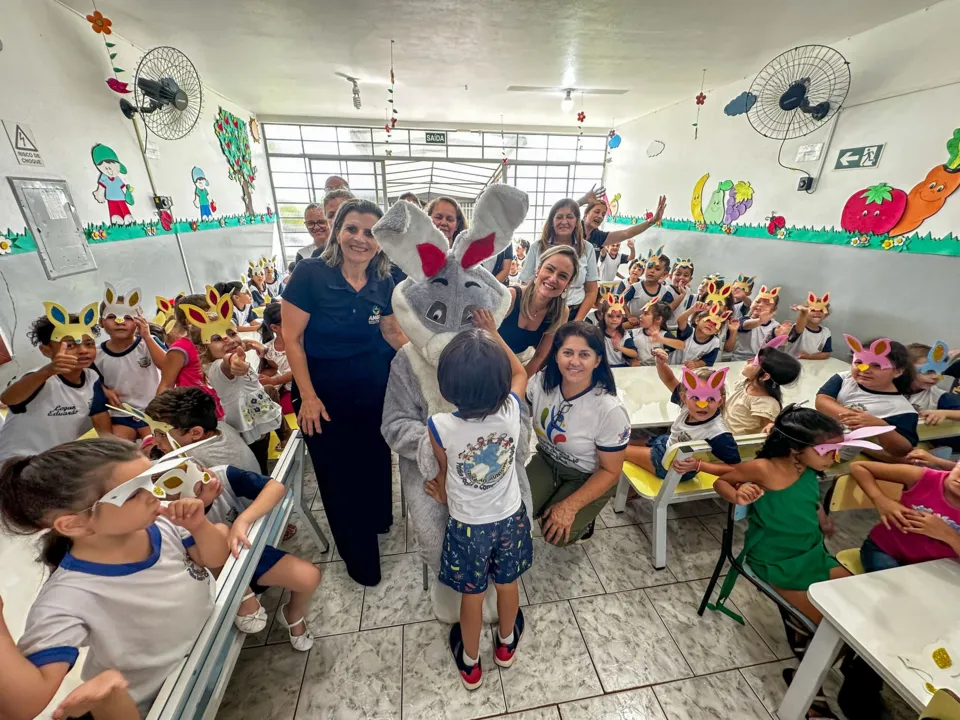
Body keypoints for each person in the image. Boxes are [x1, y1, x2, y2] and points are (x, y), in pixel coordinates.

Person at [0, 438, 228, 719]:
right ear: (75, 523)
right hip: (157, 704)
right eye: (134, 492)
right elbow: (24, 705)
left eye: (151, 478)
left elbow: (217, 559)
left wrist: (199, 525)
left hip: (207, 652)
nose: (153, 493)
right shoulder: (68, 598)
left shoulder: (162, 524)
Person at [282, 198, 408, 586]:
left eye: (370, 232)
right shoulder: (310, 273)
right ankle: (360, 561)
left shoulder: (382, 279)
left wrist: (431, 359)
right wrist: (310, 395)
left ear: (380, 241)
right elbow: (292, 338)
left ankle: (376, 522)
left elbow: (391, 331)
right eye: (352, 228)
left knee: (373, 459)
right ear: (337, 230)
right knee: (340, 477)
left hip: (372, 390)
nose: (360, 238)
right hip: (323, 394)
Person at [426, 315, 531, 690]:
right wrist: (494, 333)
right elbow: (520, 372)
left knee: (471, 596)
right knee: (508, 584)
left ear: (447, 385)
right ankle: (505, 645)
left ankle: (470, 663)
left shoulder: (439, 425)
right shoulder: (511, 413)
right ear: (501, 385)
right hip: (510, 519)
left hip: (468, 525)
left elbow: (445, 468)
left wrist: (441, 488)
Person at [175, 458, 322, 649]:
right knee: (220, 532)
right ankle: (245, 597)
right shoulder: (175, 522)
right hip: (214, 576)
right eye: (199, 490)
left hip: (245, 554)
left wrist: (242, 520)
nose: (210, 481)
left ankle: (292, 613)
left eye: (203, 471)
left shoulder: (221, 475)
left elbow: (275, 487)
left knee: (310, 576)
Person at [526, 322, 630, 544]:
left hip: (585, 473)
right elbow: (518, 411)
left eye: (584, 354)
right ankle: (551, 497)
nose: (574, 361)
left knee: (557, 535)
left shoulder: (609, 409)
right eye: (567, 353)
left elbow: (611, 471)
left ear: (598, 360)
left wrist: (569, 506)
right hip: (546, 459)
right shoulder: (543, 381)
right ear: (556, 356)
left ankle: (586, 514)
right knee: (516, 512)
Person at [179, 290, 282, 474]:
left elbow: (236, 350)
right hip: (246, 426)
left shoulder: (235, 354)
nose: (227, 339)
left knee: (263, 455)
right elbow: (227, 363)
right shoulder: (217, 367)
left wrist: (249, 345)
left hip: (257, 420)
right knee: (258, 465)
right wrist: (233, 362)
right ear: (203, 348)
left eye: (231, 333)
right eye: (217, 338)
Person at [0, 306, 112, 461]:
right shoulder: (39, 378)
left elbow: (100, 416)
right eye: (70, 345)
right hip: (14, 463)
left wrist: (113, 450)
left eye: (89, 343)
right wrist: (47, 371)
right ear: (46, 351)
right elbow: (8, 399)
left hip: (51, 463)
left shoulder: (92, 378)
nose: (83, 350)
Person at [626, 358, 741, 479]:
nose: (702, 404)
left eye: (710, 399)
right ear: (684, 397)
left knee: (619, 452)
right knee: (623, 442)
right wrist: (660, 364)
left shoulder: (718, 433)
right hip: (666, 444)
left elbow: (736, 469)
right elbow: (669, 380)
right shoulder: (687, 406)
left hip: (672, 467)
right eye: (695, 397)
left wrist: (698, 465)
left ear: (720, 401)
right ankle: (630, 493)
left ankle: (622, 494)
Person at [816, 335, 918, 459]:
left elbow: (902, 450)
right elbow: (822, 401)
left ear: (898, 371)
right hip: (815, 436)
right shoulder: (844, 378)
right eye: (859, 362)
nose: (865, 369)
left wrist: (880, 426)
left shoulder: (901, 409)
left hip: (834, 455)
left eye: (877, 365)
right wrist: (856, 418)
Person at [851, 458, 960, 572]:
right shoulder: (924, 477)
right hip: (886, 549)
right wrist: (881, 500)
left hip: (938, 563)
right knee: (892, 586)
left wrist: (949, 535)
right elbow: (858, 467)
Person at [497, 245, 579, 376]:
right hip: (488, 360)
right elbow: (484, 337)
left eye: (562, 276)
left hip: (518, 365)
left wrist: (519, 383)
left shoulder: (561, 313)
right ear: (538, 270)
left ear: (568, 284)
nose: (553, 279)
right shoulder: (510, 297)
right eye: (549, 269)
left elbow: (539, 357)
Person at [97, 288, 166, 442]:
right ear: (101, 322)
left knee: (154, 444)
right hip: (121, 414)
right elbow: (91, 379)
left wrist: (147, 337)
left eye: (128, 317)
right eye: (112, 316)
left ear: (139, 321)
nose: (119, 321)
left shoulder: (148, 343)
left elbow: (167, 367)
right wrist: (105, 391)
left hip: (154, 411)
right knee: (120, 446)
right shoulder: (97, 355)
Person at [519, 200, 599, 322]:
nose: (564, 222)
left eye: (570, 217)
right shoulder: (538, 246)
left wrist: (577, 321)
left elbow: (592, 290)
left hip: (573, 314)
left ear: (577, 221)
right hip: (540, 314)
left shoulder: (587, 249)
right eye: (559, 217)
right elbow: (525, 283)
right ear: (552, 221)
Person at [146, 387, 260, 473]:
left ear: (196, 433)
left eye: (162, 434)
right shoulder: (222, 427)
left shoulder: (185, 462)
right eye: (153, 433)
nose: (154, 442)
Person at [157, 293, 224, 419]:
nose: (215, 319)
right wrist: (162, 416)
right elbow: (166, 384)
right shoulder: (181, 348)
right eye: (208, 316)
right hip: (199, 411)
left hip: (224, 404)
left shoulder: (217, 341)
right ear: (190, 321)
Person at [725, 340, 801, 435]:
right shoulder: (748, 383)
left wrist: (772, 426)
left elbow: (769, 428)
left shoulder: (766, 404)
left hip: (737, 443)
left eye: (755, 361)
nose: (749, 360)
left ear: (764, 376)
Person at [581, 194, 666, 250]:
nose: (600, 216)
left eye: (603, 214)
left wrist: (652, 221)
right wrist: (582, 200)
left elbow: (627, 233)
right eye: (596, 212)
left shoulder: (598, 236)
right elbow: (567, 211)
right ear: (586, 213)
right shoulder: (573, 229)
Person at [258, 303, 295, 416]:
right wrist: (265, 376)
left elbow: (297, 372)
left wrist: (275, 381)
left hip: (305, 387)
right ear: (275, 327)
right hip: (288, 389)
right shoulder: (269, 349)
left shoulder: (301, 341)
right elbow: (275, 367)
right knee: (270, 410)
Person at [622, 247, 674, 326]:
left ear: (664, 274)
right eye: (649, 267)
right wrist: (629, 316)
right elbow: (623, 302)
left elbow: (666, 311)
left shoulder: (665, 293)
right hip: (633, 325)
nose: (652, 271)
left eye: (657, 269)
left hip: (650, 328)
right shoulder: (635, 288)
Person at [623, 300, 684, 365]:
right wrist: (631, 361)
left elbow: (681, 345)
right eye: (642, 313)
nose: (640, 316)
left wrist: (662, 339)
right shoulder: (633, 334)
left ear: (658, 319)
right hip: (637, 372)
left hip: (656, 372)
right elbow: (625, 353)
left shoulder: (664, 335)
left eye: (645, 314)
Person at [732, 286, 780, 360]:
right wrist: (760, 321)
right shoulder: (743, 319)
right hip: (740, 359)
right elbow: (746, 325)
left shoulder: (775, 326)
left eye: (767, 304)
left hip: (763, 361)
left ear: (774, 309)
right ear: (751, 303)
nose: (760, 305)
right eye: (757, 301)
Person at [673, 301, 725, 368]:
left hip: (692, 370)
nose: (711, 325)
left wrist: (696, 364)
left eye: (715, 324)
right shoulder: (689, 331)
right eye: (708, 320)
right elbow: (680, 320)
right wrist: (692, 309)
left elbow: (708, 360)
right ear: (697, 320)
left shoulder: (715, 342)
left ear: (717, 331)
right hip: (673, 366)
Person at [786, 293, 833, 360]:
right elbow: (799, 329)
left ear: (826, 314)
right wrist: (803, 312)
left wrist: (808, 356)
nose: (817, 312)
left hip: (812, 366)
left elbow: (826, 353)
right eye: (812, 310)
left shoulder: (826, 332)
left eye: (821, 310)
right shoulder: (800, 327)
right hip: (793, 365)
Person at [595, 295, 632, 367]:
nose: (614, 319)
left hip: (621, 367)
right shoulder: (597, 333)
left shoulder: (624, 334)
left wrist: (619, 347)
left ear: (622, 317)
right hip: (603, 367)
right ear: (603, 315)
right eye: (610, 316)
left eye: (618, 316)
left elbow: (634, 354)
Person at [665, 258, 696, 331]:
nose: (681, 277)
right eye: (678, 274)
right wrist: (682, 295)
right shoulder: (665, 290)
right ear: (670, 276)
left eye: (685, 275)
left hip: (679, 329)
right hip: (665, 328)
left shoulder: (689, 293)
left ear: (690, 279)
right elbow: (665, 312)